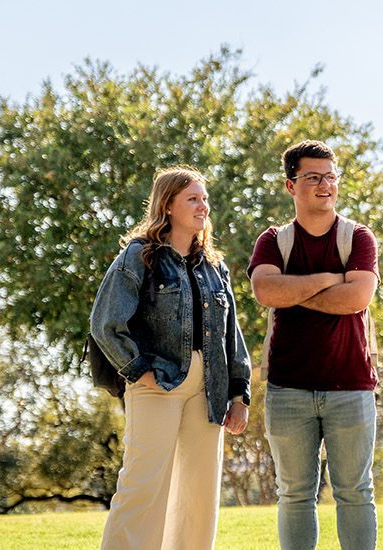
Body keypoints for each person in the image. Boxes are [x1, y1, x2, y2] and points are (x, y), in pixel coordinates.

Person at [91, 167, 252, 550]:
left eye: (205, 199)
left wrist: (239, 394)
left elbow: (232, 335)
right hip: (156, 382)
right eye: (192, 199)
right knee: (143, 487)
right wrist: (139, 371)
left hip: (209, 386)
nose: (203, 206)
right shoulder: (139, 256)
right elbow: (105, 323)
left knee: (199, 494)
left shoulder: (214, 265)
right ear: (168, 204)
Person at [248, 140, 381, 550]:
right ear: (291, 186)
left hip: (351, 386)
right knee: (294, 494)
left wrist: (295, 290)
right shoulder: (273, 241)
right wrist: (329, 279)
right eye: (312, 177)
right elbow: (265, 291)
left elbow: (357, 298)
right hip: (288, 388)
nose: (325, 185)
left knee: (355, 492)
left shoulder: (358, 237)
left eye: (330, 176)